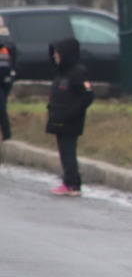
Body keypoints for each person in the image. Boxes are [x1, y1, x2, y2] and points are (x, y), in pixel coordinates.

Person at [46, 37, 94, 196]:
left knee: (68, 151)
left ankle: (72, 183)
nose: (54, 56)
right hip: (58, 118)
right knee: (64, 151)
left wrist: (71, 113)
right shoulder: (61, 72)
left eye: (57, 53)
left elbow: (86, 96)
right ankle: (68, 181)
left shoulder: (78, 72)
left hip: (70, 121)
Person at [0, 39, 14, 140]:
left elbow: (3, 71)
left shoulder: (3, 51)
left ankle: (6, 135)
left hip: (1, 85)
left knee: (1, 110)